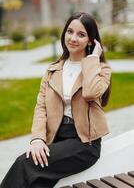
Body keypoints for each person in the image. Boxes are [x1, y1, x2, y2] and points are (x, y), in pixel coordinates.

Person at [0, 12, 112, 188]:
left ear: (91, 41)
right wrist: (37, 139)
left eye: (81, 34)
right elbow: (41, 107)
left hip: (83, 143)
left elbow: (90, 92)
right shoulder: (53, 70)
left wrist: (92, 59)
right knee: (37, 183)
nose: (73, 38)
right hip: (57, 138)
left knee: (25, 163)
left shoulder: (101, 69)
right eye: (70, 31)